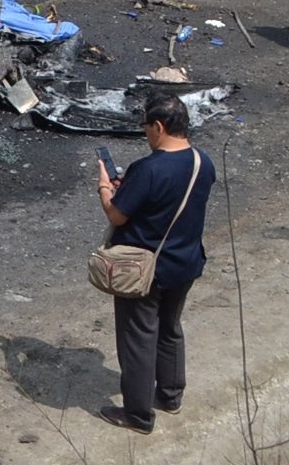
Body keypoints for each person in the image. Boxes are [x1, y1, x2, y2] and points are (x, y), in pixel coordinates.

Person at [96, 92, 217, 436]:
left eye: (147, 127)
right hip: (185, 263)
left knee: (138, 338)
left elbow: (117, 215)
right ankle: (170, 395)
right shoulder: (202, 161)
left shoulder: (147, 169)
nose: (146, 134)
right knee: (169, 328)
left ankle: (137, 414)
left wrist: (106, 188)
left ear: (159, 126)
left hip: (144, 270)